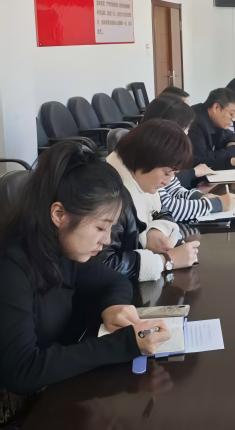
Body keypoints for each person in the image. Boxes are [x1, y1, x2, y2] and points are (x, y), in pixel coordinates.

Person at [0, 142, 171, 395]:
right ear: (59, 215)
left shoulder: (61, 247)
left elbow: (115, 281)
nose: (106, 240)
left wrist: (114, 306)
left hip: (58, 382)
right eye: (101, 228)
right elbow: (22, 371)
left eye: (110, 228)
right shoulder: (11, 266)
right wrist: (124, 344)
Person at [102, 119, 200, 282]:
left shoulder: (142, 178)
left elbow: (162, 209)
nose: (167, 182)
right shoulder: (109, 197)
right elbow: (104, 265)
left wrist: (156, 230)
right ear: (144, 158)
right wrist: (166, 261)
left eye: (174, 174)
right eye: (166, 173)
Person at [141, 97, 235, 221]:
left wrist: (201, 197)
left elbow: (174, 189)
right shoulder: (148, 157)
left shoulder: (161, 152)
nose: (186, 136)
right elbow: (165, 208)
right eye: (185, 130)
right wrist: (215, 204)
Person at [187, 88, 235, 170]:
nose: (233, 119)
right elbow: (200, 159)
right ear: (216, 107)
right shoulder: (195, 122)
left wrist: (232, 143)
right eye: (231, 114)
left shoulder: (213, 119)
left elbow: (229, 134)